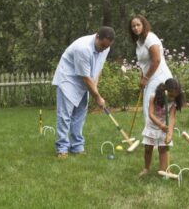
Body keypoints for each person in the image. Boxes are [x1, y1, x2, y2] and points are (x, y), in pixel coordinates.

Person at [52, 26, 115, 159]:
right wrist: (97, 96)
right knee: (65, 116)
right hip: (68, 80)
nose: (103, 49)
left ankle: (77, 146)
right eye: (102, 45)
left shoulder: (106, 47)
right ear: (97, 37)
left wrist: (95, 89)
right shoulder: (83, 48)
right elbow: (85, 77)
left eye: (106, 47)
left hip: (85, 81)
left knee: (79, 115)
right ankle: (62, 148)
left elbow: (98, 68)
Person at [129, 14, 173, 133]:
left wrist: (146, 77)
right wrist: (142, 78)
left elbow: (156, 60)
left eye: (138, 25)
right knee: (148, 108)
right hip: (149, 77)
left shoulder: (150, 38)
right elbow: (144, 63)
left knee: (151, 108)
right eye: (133, 26)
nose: (136, 28)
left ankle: (155, 137)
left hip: (159, 77)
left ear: (144, 25)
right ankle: (153, 136)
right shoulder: (139, 42)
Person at [138, 78, 184, 177]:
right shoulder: (153, 97)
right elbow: (150, 114)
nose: (172, 99)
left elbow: (171, 118)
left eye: (174, 97)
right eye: (171, 96)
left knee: (163, 149)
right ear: (164, 90)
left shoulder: (173, 103)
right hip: (153, 125)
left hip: (165, 126)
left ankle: (163, 171)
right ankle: (146, 168)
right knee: (148, 148)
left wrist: (170, 134)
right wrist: (160, 125)